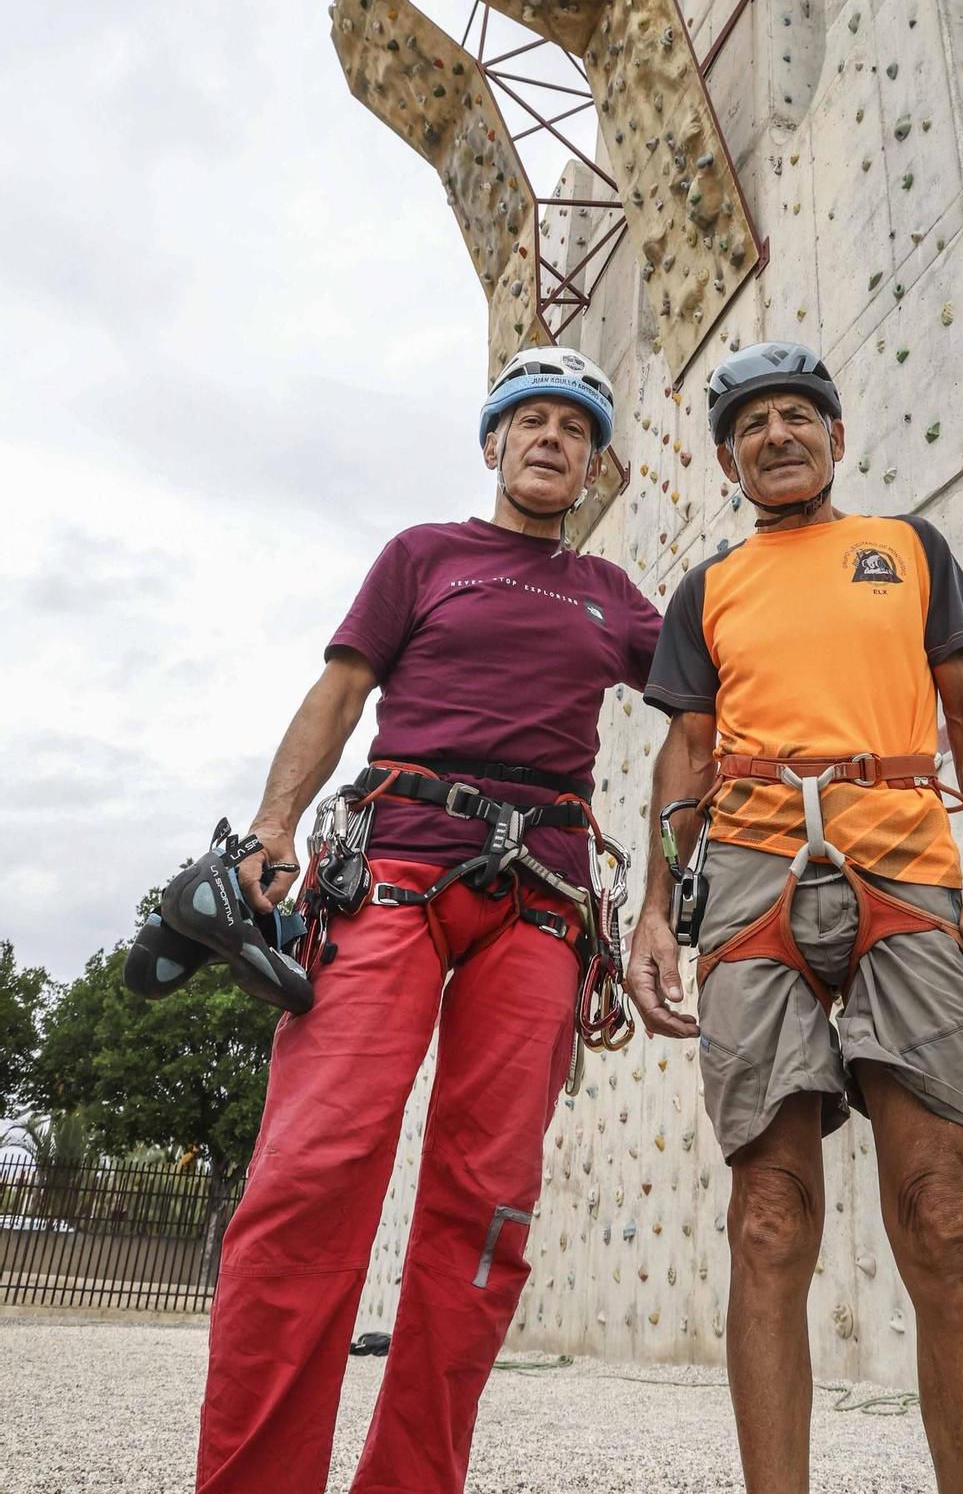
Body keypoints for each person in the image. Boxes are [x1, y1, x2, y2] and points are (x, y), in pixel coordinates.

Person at [187, 345, 661, 1494]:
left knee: (487, 1211)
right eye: (531, 420)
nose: (552, 439)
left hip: (541, 906)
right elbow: (341, 690)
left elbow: (711, 700)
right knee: (309, 1175)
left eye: (575, 429)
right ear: (491, 442)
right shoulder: (422, 556)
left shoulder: (615, 597)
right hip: (392, 867)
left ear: (594, 466)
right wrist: (273, 824)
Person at [626, 340, 963, 1494]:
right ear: (726, 458)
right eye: (751, 426)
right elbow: (686, 749)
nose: (777, 435)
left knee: (940, 1209)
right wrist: (657, 905)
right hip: (750, 868)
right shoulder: (708, 587)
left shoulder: (907, 549)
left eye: (798, 415)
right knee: (767, 1213)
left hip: (904, 864)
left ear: (837, 436)